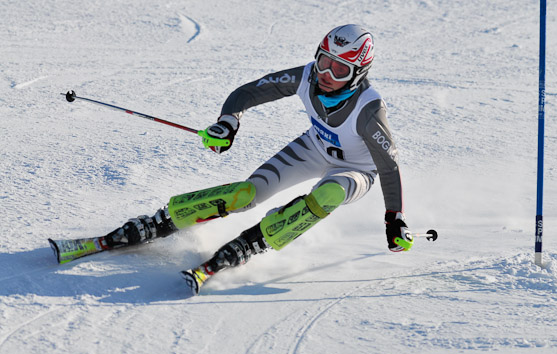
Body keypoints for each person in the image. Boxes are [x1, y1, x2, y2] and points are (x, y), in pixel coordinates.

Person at [51, 24, 413, 295]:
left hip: (357, 170)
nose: (325, 75)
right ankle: (158, 222)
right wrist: (228, 123)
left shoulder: (369, 109)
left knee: (329, 195)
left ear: (358, 74)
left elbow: (388, 165)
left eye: (339, 70)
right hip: (315, 147)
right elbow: (248, 92)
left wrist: (393, 218)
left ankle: (250, 245)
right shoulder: (306, 76)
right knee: (244, 195)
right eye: (323, 62)